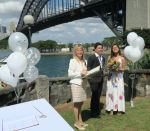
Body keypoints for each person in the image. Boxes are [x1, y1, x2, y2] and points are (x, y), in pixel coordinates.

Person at [68, 44, 88, 130]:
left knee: (81, 103)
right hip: (76, 84)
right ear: (75, 52)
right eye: (78, 50)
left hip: (83, 83)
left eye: (81, 50)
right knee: (76, 104)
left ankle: (80, 121)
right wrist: (80, 73)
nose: (80, 52)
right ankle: (76, 123)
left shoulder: (84, 61)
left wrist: (88, 74)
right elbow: (70, 74)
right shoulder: (73, 61)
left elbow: (85, 73)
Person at [105, 44, 126, 115]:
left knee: (119, 92)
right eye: (113, 48)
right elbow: (107, 67)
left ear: (118, 49)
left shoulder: (122, 58)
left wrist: (118, 69)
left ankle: (119, 109)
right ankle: (110, 108)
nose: (115, 49)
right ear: (112, 49)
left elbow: (123, 68)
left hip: (119, 77)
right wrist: (109, 67)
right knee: (111, 92)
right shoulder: (109, 57)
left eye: (116, 47)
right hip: (111, 77)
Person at [87, 42, 105, 117]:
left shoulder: (103, 58)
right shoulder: (91, 57)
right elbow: (88, 68)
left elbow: (102, 68)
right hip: (93, 80)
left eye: (101, 48)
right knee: (94, 95)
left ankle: (97, 111)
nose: (100, 49)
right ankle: (93, 112)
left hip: (101, 79)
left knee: (98, 95)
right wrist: (90, 80)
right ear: (95, 49)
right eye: (99, 48)